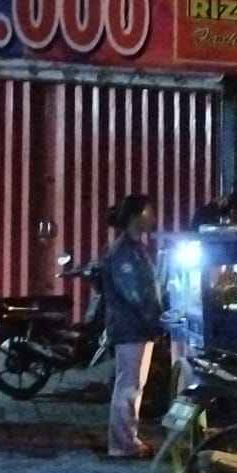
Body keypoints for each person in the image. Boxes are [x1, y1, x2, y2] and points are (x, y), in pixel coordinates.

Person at [102, 194, 166, 459]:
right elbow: (135, 295)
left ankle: (128, 439)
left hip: (137, 328)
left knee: (133, 385)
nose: (153, 218)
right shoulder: (124, 252)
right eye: (149, 212)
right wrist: (157, 319)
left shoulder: (136, 248)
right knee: (128, 386)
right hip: (131, 328)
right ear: (136, 216)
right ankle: (122, 444)